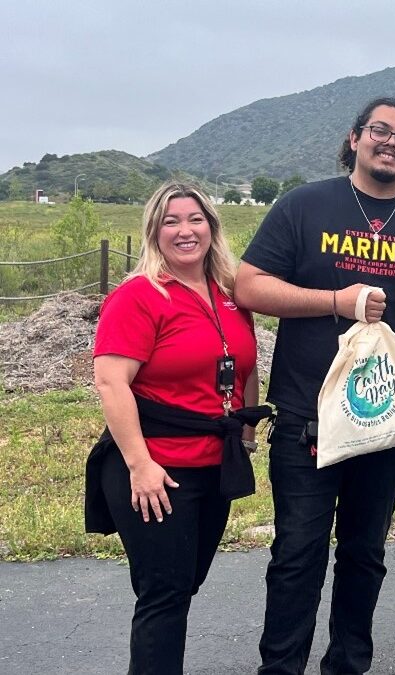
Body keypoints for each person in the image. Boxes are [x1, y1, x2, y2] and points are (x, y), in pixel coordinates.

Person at [234, 96, 395, 674]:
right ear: (356, 137)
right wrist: (335, 302)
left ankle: (347, 665)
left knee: (365, 556)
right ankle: (281, 668)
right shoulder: (304, 206)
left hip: (386, 423)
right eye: (380, 131)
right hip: (305, 420)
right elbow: (249, 286)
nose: (390, 143)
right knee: (297, 554)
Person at [89, 181, 264, 675]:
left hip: (215, 465)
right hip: (158, 470)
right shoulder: (139, 296)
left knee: (184, 584)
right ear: (154, 232)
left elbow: (242, 365)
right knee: (163, 594)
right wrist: (139, 465)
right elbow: (110, 382)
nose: (185, 231)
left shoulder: (229, 294)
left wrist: (245, 436)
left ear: (211, 226)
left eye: (195, 219)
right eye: (171, 221)